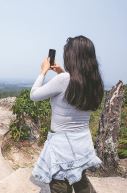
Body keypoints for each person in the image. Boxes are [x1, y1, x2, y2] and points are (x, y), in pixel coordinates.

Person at [30, 35, 104, 193]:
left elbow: (34, 95)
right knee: (80, 179)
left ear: (71, 56)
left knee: (59, 186)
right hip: (83, 142)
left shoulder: (64, 79)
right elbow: (73, 95)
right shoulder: (94, 81)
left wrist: (43, 72)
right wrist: (61, 73)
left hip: (63, 146)